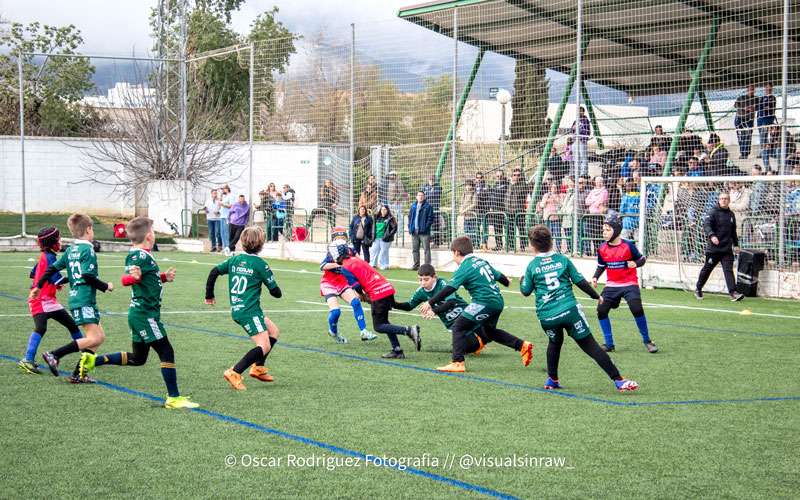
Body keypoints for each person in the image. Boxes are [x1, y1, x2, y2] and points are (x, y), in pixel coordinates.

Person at [78, 217, 198, 409]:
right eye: (154, 231)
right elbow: (126, 279)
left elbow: (146, 278)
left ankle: (94, 360)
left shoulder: (143, 254)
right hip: (145, 315)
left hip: (140, 313)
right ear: (149, 236)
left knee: (138, 358)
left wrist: (164, 277)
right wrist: (132, 278)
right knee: (166, 351)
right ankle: (174, 398)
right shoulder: (138, 256)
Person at [520, 225, 639, 392]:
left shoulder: (532, 266)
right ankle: (618, 380)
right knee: (590, 345)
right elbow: (580, 281)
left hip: (547, 316)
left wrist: (522, 280)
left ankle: (552, 379)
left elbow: (525, 291)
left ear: (532, 245)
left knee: (554, 342)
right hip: (570, 311)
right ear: (552, 242)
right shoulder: (562, 260)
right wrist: (596, 296)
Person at [421, 236, 533, 373]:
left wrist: (430, 302)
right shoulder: (481, 261)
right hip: (498, 301)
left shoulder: (465, 267)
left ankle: (458, 362)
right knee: (489, 332)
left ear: (456, 252)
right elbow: (498, 276)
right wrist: (507, 282)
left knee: (458, 327)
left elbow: (450, 288)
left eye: (453, 254)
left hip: (483, 302)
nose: (453, 257)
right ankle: (522, 346)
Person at [29, 214, 114, 380]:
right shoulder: (87, 249)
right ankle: (55, 355)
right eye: (93, 228)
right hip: (84, 300)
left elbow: (50, 270)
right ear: (88, 229)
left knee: (99, 337)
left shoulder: (70, 250)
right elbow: (88, 276)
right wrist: (106, 286)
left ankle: (79, 373)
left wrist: (39, 286)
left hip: (79, 299)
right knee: (94, 338)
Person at [205, 226, 283, 390]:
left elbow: (214, 272)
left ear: (242, 242)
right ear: (261, 244)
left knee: (273, 331)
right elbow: (276, 293)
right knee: (264, 345)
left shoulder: (234, 260)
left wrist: (209, 295)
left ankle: (258, 368)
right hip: (249, 311)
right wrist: (274, 286)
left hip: (240, 308)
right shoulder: (260, 264)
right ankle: (234, 371)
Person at [333, 243, 421, 359]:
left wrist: (361, 295)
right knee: (385, 322)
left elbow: (357, 285)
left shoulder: (345, 267)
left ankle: (408, 330)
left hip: (378, 293)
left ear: (336, 254)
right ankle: (397, 350)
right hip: (387, 288)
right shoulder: (355, 259)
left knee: (379, 326)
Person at [18, 227, 85, 381]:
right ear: (52, 243)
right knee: (41, 328)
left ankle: (87, 353)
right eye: (59, 239)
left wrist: (52, 282)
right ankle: (28, 360)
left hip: (50, 301)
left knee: (72, 325)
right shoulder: (49, 258)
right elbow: (55, 277)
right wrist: (78, 276)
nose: (60, 242)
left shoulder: (47, 256)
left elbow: (33, 273)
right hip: (40, 301)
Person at [592, 212, 657, 353]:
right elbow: (601, 265)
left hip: (629, 283)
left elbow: (642, 259)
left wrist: (635, 263)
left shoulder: (628, 246)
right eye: (603, 229)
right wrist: (596, 276)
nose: (604, 232)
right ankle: (609, 344)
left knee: (637, 309)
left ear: (616, 231)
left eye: (608, 229)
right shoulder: (602, 248)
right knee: (601, 310)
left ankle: (648, 341)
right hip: (612, 285)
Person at [319, 227, 376, 344]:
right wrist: (338, 264)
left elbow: (360, 262)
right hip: (328, 284)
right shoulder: (333, 251)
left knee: (356, 302)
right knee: (335, 312)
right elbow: (322, 266)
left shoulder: (350, 250)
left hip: (343, 282)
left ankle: (364, 331)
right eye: (338, 238)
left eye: (342, 238)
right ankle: (333, 332)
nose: (340, 240)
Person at [695, 191, 745, 301]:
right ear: (718, 200)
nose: (724, 200)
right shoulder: (713, 212)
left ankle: (733, 293)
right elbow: (706, 225)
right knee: (707, 269)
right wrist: (712, 236)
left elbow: (733, 231)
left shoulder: (731, 215)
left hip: (726, 249)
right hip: (714, 249)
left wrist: (736, 244)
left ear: (729, 200)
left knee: (728, 270)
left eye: (726, 198)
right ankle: (698, 288)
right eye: (722, 198)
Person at [394, 264, 469, 334]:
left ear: (434, 277)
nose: (423, 283)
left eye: (426, 280)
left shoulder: (442, 283)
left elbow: (451, 302)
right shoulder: (421, 292)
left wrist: (434, 311)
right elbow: (409, 306)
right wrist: (393, 304)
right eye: (420, 280)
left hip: (466, 315)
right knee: (462, 346)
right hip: (452, 325)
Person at [408, 191, 434, 270]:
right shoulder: (413, 206)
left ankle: (427, 267)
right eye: (419, 195)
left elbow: (430, 219)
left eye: (422, 195)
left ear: (424, 197)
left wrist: (425, 227)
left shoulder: (428, 206)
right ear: (416, 197)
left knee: (426, 249)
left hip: (424, 232)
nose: (420, 197)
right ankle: (416, 265)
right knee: (415, 249)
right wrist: (410, 227)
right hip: (414, 232)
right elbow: (410, 218)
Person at [506, 168, 530, 251]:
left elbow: (518, 194)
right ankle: (511, 246)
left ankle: (522, 246)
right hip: (509, 211)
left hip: (519, 211)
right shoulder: (509, 185)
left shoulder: (523, 185)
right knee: (510, 229)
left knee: (521, 229)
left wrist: (513, 185)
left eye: (518, 175)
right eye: (514, 175)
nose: (516, 177)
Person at [487, 170, 509, 250]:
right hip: (495, 210)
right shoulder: (495, 185)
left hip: (504, 210)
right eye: (497, 176)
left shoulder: (507, 185)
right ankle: (499, 245)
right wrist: (491, 206)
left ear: (503, 176)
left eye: (500, 176)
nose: (499, 178)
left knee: (507, 228)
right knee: (497, 229)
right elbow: (492, 197)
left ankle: (509, 245)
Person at [734, 84, 758, 159]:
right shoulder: (741, 97)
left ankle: (746, 153)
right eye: (750, 89)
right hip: (740, 119)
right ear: (747, 90)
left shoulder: (756, 99)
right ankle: (742, 153)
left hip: (749, 120)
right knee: (741, 136)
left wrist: (753, 108)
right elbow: (735, 105)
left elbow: (759, 107)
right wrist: (744, 108)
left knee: (748, 136)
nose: (751, 91)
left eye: (753, 89)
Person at [370, 204, 397, 270]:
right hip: (376, 238)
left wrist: (388, 235)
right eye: (382, 209)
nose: (383, 211)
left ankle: (385, 265)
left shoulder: (390, 218)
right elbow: (373, 227)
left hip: (385, 238)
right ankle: (373, 264)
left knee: (383, 252)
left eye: (385, 209)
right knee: (374, 251)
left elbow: (394, 228)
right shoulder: (376, 217)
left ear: (387, 210)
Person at [421, 175, 442, 244]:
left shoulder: (438, 187)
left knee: (435, 225)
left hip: (435, 209)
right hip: (426, 209)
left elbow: (436, 194)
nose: (431, 181)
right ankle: (427, 240)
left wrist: (428, 193)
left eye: (433, 180)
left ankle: (436, 242)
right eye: (430, 179)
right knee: (426, 224)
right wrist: (430, 192)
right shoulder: (424, 186)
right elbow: (422, 196)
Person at [571, 106, 591, 175]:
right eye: (578, 111)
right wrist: (573, 129)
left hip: (582, 141)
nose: (579, 112)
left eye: (580, 111)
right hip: (575, 141)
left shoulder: (585, 120)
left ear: (583, 112)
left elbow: (587, 131)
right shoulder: (576, 120)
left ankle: (583, 173)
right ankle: (577, 172)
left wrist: (580, 132)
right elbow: (572, 130)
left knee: (583, 157)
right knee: (576, 158)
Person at [460, 179, 478, 247]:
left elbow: (474, 204)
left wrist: (465, 210)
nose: (467, 187)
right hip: (466, 216)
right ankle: (467, 244)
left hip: (472, 216)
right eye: (466, 185)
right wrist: (461, 209)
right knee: (466, 231)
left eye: (469, 185)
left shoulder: (474, 193)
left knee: (472, 231)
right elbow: (462, 203)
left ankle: (473, 244)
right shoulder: (464, 193)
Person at [219, 185, 233, 253]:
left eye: (223, 189)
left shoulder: (231, 196)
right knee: (222, 233)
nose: (222, 191)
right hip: (222, 216)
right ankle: (225, 247)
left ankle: (228, 248)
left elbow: (231, 205)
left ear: (227, 189)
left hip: (227, 216)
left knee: (226, 233)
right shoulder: (225, 197)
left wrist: (223, 204)